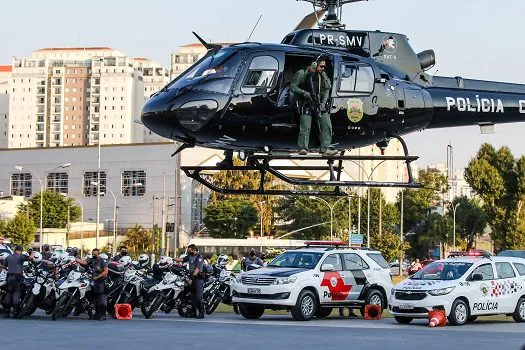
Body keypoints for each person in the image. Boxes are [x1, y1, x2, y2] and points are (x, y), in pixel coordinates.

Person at [290, 56, 336, 156]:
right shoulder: (302, 73)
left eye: (324, 67)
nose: (323, 68)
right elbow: (293, 87)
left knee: (326, 125)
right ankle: (303, 148)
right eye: (321, 66)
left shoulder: (322, 75)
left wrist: (323, 103)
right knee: (305, 127)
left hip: (318, 103)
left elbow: (327, 88)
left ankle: (324, 148)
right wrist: (303, 92)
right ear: (314, 64)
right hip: (305, 103)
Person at [0, 245, 34, 318]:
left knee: (9, 294)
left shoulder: (8, 257)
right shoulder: (20, 257)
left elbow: (3, 266)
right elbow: (31, 258)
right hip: (17, 279)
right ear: (20, 251)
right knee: (16, 295)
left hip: (9, 278)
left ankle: (6, 312)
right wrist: (32, 252)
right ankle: (15, 312)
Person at [75, 248, 108, 320]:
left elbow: (106, 271)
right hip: (94, 281)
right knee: (95, 297)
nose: (94, 255)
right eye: (93, 254)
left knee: (101, 298)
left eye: (95, 254)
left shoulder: (102, 261)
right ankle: (97, 314)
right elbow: (84, 263)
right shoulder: (92, 259)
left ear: (98, 254)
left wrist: (98, 276)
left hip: (101, 281)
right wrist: (75, 259)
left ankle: (103, 315)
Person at [175, 244, 205, 319]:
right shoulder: (190, 256)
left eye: (188, 250)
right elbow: (181, 260)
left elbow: (197, 269)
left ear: (192, 249)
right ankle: (193, 313)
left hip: (198, 278)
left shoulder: (199, 257)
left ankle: (201, 313)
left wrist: (192, 278)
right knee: (192, 296)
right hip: (191, 278)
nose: (187, 251)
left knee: (198, 297)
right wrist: (171, 259)